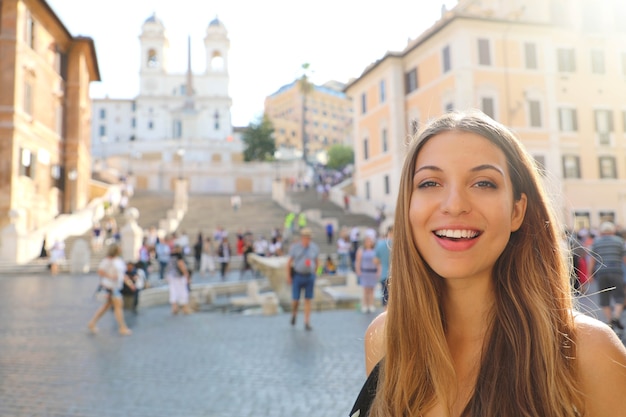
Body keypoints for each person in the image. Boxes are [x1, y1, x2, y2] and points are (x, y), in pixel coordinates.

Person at [350, 111, 626, 417]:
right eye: (429, 183)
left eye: (483, 183)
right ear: (408, 206)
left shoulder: (591, 353)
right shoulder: (385, 339)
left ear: (517, 212)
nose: (454, 204)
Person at [87, 244, 132, 335]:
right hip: (110, 286)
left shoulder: (119, 260)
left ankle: (92, 323)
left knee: (106, 307)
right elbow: (100, 271)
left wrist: (129, 283)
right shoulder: (107, 260)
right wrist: (111, 276)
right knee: (118, 306)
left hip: (116, 286)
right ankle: (122, 327)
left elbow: (121, 274)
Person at [589, 221, 626, 330]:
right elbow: (624, 259)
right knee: (620, 296)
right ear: (613, 231)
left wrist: (589, 274)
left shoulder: (596, 242)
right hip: (616, 272)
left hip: (601, 273)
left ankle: (610, 321)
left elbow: (592, 260)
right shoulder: (619, 241)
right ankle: (616, 316)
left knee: (604, 298)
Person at [286, 228, 319, 331]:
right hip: (298, 275)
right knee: (295, 299)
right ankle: (294, 313)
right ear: (302, 238)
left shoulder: (314, 248)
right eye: (305, 238)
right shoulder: (296, 248)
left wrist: (315, 272)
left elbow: (317, 261)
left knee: (308, 299)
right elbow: (289, 262)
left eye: (309, 238)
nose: (307, 240)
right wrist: (288, 276)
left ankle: (306, 321)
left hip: (309, 276)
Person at [355, 234, 378, 313]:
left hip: (372, 271)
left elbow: (378, 262)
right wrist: (358, 270)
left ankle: (371, 305)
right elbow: (358, 261)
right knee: (365, 289)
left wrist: (378, 271)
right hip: (365, 271)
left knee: (372, 289)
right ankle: (365, 305)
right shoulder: (361, 250)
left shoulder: (375, 250)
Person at [166, 245, 191, 315]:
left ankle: (174, 308)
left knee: (173, 292)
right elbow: (181, 265)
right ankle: (185, 309)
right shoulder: (179, 256)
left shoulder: (171, 256)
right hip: (179, 277)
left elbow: (168, 267)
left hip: (171, 276)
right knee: (183, 292)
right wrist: (186, 274)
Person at [374, 226, 392, 309]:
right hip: (398, 276)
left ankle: (386, 320)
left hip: (384, 274)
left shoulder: (380, 244)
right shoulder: (401, 244)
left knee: (386, 301)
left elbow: (375, 261)